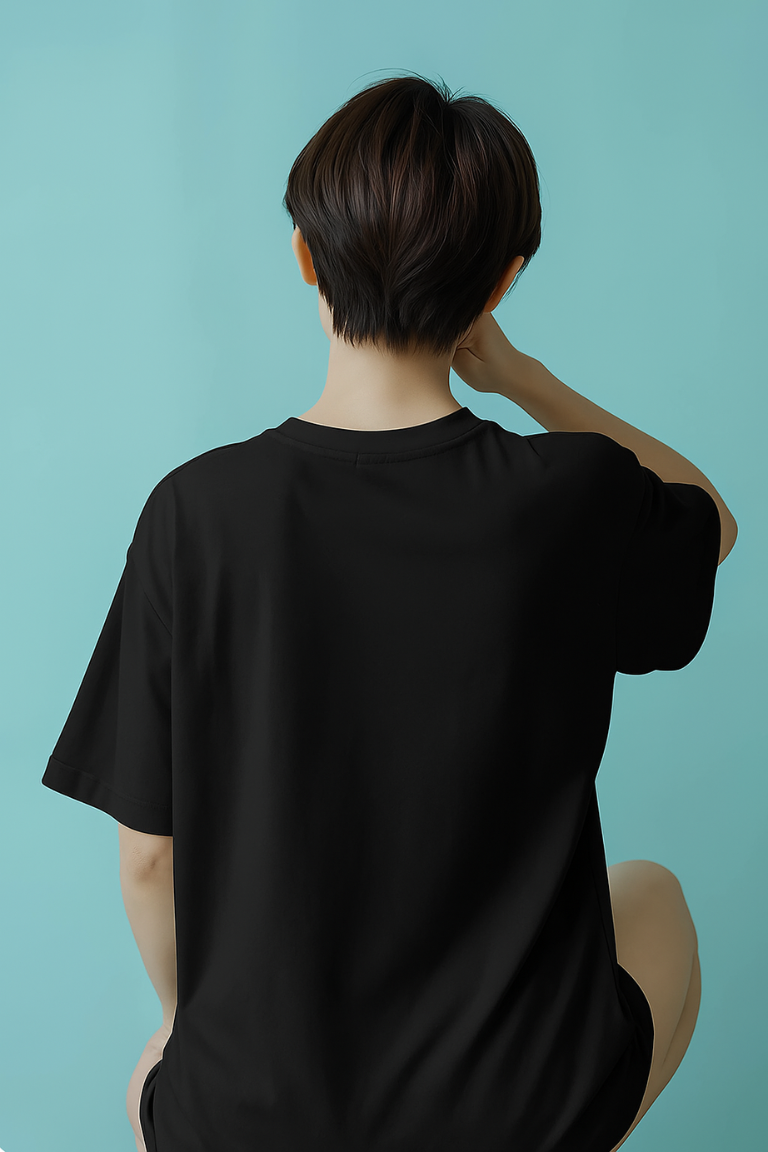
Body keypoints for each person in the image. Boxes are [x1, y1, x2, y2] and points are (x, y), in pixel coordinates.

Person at [42, 73, 736, 1152]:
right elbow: (710, 522)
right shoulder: (572, 497)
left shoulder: (197, 512)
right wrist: (524, 378)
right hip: (509, 1112)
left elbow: (147, 859)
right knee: (655, 896)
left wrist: (187, 1028)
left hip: (255, 1122)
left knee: (161, 1064)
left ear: (304, 258)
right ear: (501, 282)